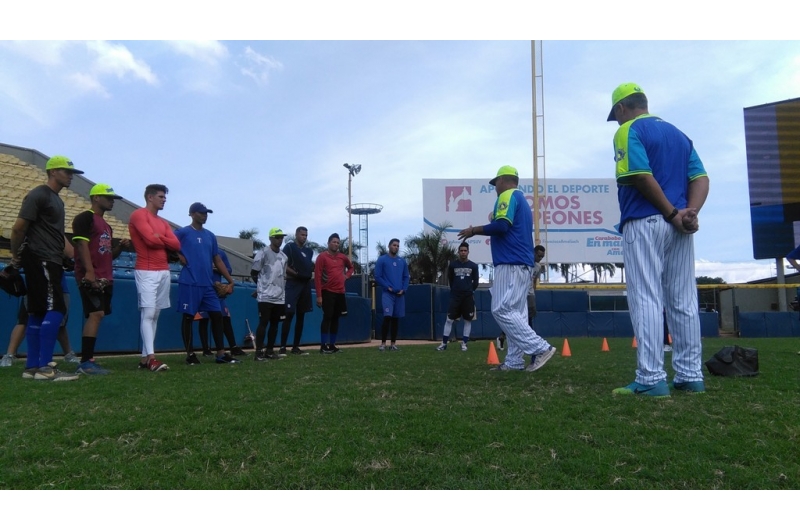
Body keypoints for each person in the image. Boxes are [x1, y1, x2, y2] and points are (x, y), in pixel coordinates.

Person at [606, 82, 709, 397]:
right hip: (678, 226)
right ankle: (690, 376)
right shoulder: (679, 134)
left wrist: (670, 213)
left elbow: (639, 175)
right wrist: (688, 213)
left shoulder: (629, 130)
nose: (618, 121)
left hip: (647, 222)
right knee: (683, 301)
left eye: (617, 115)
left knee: (646, 298)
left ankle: (651, 379)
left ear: (623, 108)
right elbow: (701, 178)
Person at [457, 165, 557, 372]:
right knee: (516, 315)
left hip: (510, 263)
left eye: (496, 183)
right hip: (521, 264)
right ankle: (514, 361)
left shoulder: (508, 195)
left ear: (503, 180)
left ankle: (540, 348)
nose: (495, 187)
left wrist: (474, 229)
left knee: (501, 309)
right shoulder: (521, 199)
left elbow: (502, 226)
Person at [8, 155, 82, 381]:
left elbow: (57, 235)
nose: (70, 176)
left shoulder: (57, 200)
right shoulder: (39, 194)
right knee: (56, 308)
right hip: (42, 258)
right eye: (66, 172)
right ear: (52, 172)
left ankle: (32, 367)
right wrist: (15, 255)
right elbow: (19, 228)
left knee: (38, 310)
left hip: (48, 258)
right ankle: (45, 368)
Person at [71, 183, 130, 375]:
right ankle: (86, 362)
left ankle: (88, 359)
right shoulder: (85, 218)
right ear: (96, 197)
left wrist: (120, 248)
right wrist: (89, 272)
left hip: (105, 276)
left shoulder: (107, 225)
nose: (112, 201)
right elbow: (81, 245)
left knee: (98, 315)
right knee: (96, 314)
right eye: (108, 197)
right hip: (91, 275)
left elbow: (107, 254)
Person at [174, 202, 239, 365]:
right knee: (188, 317)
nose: (205, 215)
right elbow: (167, 244)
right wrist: (177, 255)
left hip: (208, 283)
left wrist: (230, 280)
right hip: (190, 281)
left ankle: (221, 354)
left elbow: (216, 258)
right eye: (202, 213)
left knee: (217, 316)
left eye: (206, 213)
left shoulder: (210, 235)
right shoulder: (183, 232)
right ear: (192, 214)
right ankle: (190, 354)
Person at [128, 184, 181, 372]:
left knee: (155, 314)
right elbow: (150, 240)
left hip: (163, 270)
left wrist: (162, 238)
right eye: (160, 196)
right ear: (150, 197)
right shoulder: (139, 215)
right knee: (148, 313)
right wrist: (161, 239)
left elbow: (175, 244)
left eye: (164, 197)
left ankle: (145, 357)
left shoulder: (162, 222)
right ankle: (151, 357)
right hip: (147, 270)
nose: (164, 199)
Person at [197, 249, 248, 358]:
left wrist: (216, 268)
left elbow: (228, 270)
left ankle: (233, 347)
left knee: (225, 318)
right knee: (204, 319)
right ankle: (206, 349)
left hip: (217, 290)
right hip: (203, 289)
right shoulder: (201, 251)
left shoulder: (220, 253)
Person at [251, 228, 289, 361]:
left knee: (275, 324)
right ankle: (258, 352)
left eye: (281, 237)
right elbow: (254, 272)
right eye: (277, 237)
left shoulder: (284, 257)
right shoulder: (263, 253)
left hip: (279, 296)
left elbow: (283, 276)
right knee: (264, 322)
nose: (280, 240)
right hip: (265, 295)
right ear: (271, 238)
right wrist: (260, 287)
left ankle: (270, 350)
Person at [314, 233, 354, 353]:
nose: (336, 244)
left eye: (338, 242)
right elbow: (317, 276)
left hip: (340, 292)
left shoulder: (342, 257)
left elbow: (351, 268)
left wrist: (346, 276)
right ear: (328, 243)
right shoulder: (322, 257)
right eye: (334, 242)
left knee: (336, 318)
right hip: (327, 291)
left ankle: (332, 345)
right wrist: (319, 295)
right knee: (327, 317)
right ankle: (323, 345)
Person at [436, 241, 479, 352]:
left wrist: (470, 290)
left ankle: (464, 343)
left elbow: (476, 281)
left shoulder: (473, 266)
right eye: (461, 251)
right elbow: (450, 278)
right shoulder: (453, 265)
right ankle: (444, 343)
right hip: (455, 296)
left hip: (468, 297)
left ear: (468, 252)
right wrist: (455, 289)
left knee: (467, 320)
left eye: (465, 251)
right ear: (458, 252)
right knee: (449, 319)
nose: (463, 253)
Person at [279, 226, 314, 356]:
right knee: (289, 315)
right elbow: (284, 264)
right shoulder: (289, 247)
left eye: (306, 235)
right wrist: (295, 274)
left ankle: (295, 347)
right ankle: (282, 347)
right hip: (293, 284)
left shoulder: (309, 251)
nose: (304, 237)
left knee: (301, 316)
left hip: (305, 285)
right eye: (302, 235)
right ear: (296, 235)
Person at [374, 238, 410, 352]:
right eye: (394, 245)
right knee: (387, 317)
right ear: (389, 246)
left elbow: (406, 277)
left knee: (396, 319)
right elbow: (377, 276)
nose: (396, 247)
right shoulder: (382, 259)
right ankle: (383, 343)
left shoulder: (402, 261)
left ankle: (393, 344)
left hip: (399, 295)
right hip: (388, 294)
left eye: (398, 246)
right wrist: (387, 287)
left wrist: (404, 289)